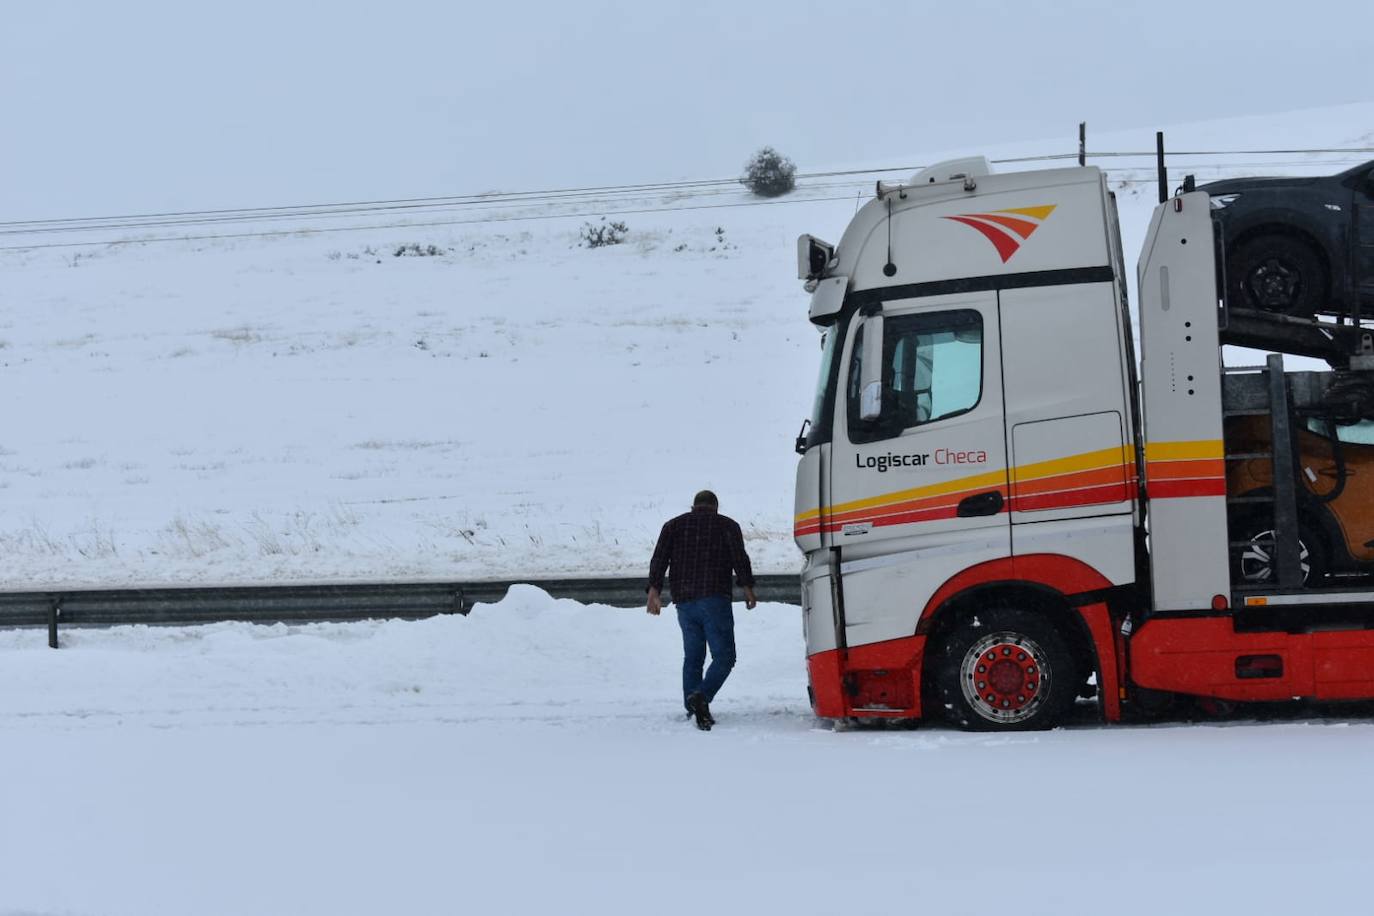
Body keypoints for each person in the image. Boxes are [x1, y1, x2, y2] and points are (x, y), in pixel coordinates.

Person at [646, 489, 757, 731]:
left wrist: (653, 591)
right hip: (714, 598)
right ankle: (701, 698)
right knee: (725, 657)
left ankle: (692, 707)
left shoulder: (673, 526)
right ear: (715, 506)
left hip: (684, 601)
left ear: (693, 505)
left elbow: (659, 559)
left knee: (693, 657)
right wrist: (748, 589)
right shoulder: (727, 525)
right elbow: (740, 558)